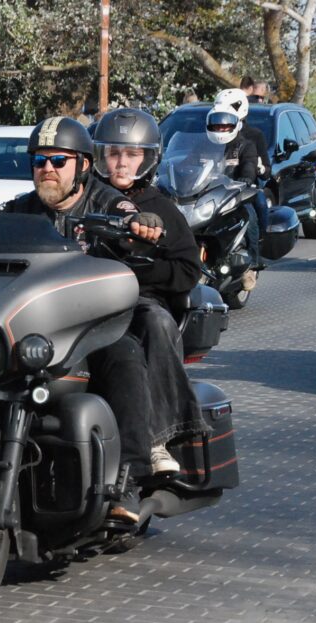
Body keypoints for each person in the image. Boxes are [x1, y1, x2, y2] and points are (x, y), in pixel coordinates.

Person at [0, 116, 170, 523]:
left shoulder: (105, 202)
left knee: (124, 357)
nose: (47, 169)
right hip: (31, 323)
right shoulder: (21, 210)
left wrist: (143, 223)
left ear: (83, 165)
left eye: (58, 160)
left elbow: (128, 212)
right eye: (39, 161)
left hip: (92, 322)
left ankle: (129, 477)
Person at [91, 109, 209, 519]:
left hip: (138, 303)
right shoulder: (85, 198)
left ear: (148, 158)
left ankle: (158, 438)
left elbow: (188, 269)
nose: (121, 163)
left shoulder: (162, 207)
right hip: (81, 304)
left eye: (131, 154)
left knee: (155, 322)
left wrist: (135, 275)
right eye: (113, 154)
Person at [208, 91, 266, 290]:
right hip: (207, 194)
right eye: (217, 124)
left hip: (236, 194)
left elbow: (250, 165)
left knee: (250, 216)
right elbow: (188, 161)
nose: (221, 127)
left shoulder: (246, 143)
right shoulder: (204, 143)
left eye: (225, 124)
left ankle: (252, 264)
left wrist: (248, 177)